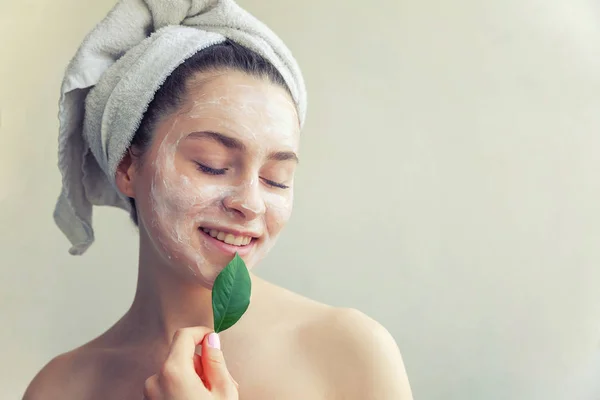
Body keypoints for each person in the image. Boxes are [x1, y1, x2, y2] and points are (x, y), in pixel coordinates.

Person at [23, 1, 413, 399]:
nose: (252, 204)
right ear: (127, 167)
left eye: (276, 179)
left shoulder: (348, 351)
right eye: (212, 165)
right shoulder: (61, 388)